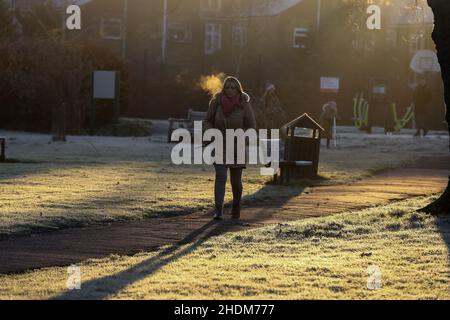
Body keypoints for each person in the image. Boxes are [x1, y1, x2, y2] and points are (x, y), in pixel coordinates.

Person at [203, 76, 257, 220]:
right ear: (224, 88)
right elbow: (207, 120)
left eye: (233, 87)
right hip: (219, 143)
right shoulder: (216, 102)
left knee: (235, 180)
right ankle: (218, 210)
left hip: (237, 145)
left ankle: (236, 207)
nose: (230, 90)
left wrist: (243, 137)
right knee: (221, 176)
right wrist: (212, 134)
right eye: (227, 87)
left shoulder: (244, 103)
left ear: (238, 89)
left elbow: (251, 125)